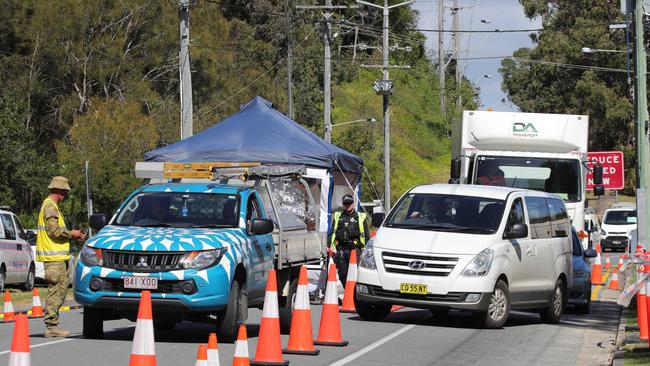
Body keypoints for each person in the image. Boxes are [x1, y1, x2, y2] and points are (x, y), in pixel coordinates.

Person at [36, 176, 85, 338]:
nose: (65, 194)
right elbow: (54, 231)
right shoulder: (50, 206)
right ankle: (51, 326)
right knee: (55, 291)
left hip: (58, 258)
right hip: (53, 259)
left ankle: (53, 325)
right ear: (56, 189)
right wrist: (73, 234)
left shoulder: (52, 206)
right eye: (64, 191)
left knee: (60, 291)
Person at [328, 194, 369, 284]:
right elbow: (332, 233)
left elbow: (366, 236)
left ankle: (354, 295)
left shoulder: (360, 216)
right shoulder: (338, 216)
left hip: (355, 249)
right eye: (346, 203)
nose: (348, 205)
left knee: (354, 275)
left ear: (353, 204)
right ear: (343, 204)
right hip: (342, 249)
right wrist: (328, 246)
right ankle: (347, 293)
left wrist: (362, 248)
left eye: (350, 203)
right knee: (342, 275)